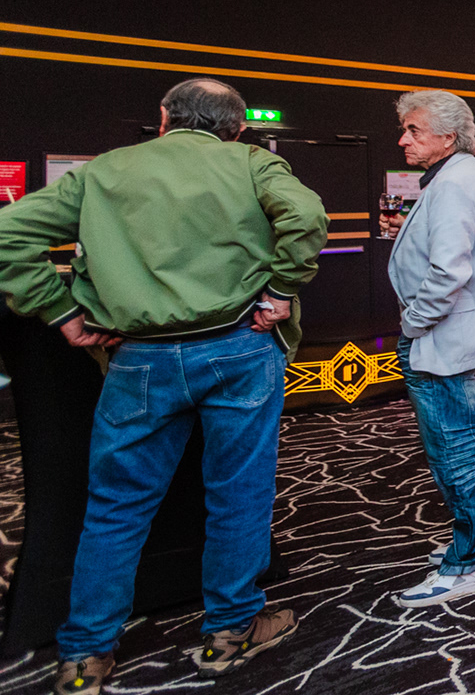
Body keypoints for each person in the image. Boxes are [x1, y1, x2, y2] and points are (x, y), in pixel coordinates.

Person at [0, 79, 327, 692]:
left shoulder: (104, 171)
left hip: (140, 360)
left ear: (164, 118)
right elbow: (307, 217)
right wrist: (282, 290)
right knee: (239, 493)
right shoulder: (252, 163)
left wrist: (60, 310)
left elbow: (7, 233)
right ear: (236, 128)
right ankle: (230, 631)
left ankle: (85, 656)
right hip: (240, 349)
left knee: (116, 506)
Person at [381, 90, 475, 607]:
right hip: (459, 332)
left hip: (442, 334)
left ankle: (472, 561)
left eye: (414, 130)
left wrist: (414, 322)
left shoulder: (456, 182)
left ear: (448, 136)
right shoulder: (468, 176)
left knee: (456, 447)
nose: (403, 139)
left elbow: (447, 271)